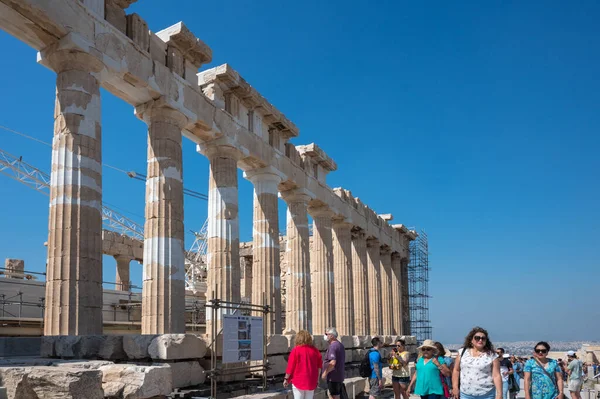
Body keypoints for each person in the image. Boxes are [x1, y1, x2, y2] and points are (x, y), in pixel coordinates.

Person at [452, 326, 502, 399]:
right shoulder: (462, 352)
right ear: (471, 340)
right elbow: (456, 370)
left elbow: (496, 375)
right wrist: (455, 387)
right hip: (466, 394)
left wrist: (499, 394)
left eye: (483, 338)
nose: (480, 340)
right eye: (477, 338)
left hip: (486, 394)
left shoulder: (492, 355)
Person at [283, 330, 323, 399]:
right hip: (311, 380)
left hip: (298, 380)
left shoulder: (295, 350)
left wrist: (286, 379)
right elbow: (319, 366)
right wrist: (317, 379)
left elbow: (290, 367)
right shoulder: (315, 351)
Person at [322, 327, 345, 399]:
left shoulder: (333, 346)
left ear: (331, 336)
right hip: (339, 375)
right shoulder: (340, 345)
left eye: (326, 334)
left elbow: (332, 362)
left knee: (333, 396)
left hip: (333, 377)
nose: (325, 336)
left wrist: (325, 373)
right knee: (336, 395)